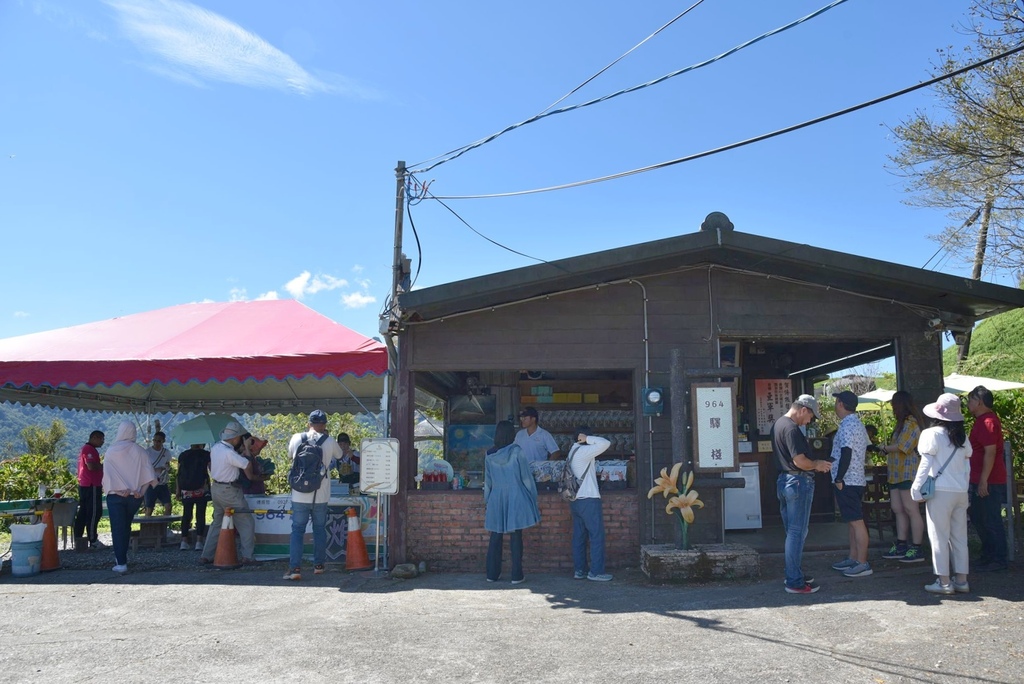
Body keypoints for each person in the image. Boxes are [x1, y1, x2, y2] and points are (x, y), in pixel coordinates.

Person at [911, 392, 973, 595]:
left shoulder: (932, 434)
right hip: (960, 492)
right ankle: (962, 580)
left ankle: (944, 582)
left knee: (939, 536)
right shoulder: (962, 436)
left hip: (940, 492)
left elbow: (925, 463)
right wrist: (965, 488)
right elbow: (967, 467)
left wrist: (916, 488)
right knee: (959, 537)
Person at [772, 394, 833, 594]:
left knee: (792, 533)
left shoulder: (779, 424)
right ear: (803, 409)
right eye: (810, 417)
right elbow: (800, 461)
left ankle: (793, 572)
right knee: (797, 533)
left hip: (784, 480)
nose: (809, 421)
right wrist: (817, 464)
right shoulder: (791, 428)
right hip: (797, 481)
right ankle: (795, 581)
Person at [283, 410, 343, 581]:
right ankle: (318, 565)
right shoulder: (329, 440)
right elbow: (339, 455)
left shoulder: (296, 438)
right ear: (324, 425)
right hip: (320, 494)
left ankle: (295, 568)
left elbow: (290, 456)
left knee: (297, 530)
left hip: (299, 494)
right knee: (319, 529)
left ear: (308, 424)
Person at [483, 420, 541, 584]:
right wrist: (533, 495)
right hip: (516, 495)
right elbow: (526, 478)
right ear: (511, 434)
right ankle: (516, 575)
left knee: (495, 535)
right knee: (516, 535)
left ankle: (492, 574)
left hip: (496, 496)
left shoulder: (488, 454)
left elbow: (487, 482)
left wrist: (488, 500)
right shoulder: (517, 451)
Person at [101, 421, 157, 574]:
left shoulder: (111, 451)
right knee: (126, 526)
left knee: (118, 528)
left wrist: (117, 490)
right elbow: (149, 476)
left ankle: (121, 562)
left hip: (116, 496)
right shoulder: (140, 451)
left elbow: (107, 476)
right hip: (135, 497)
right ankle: (122, 558)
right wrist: (141, 491)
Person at [199, 421, 257, 566]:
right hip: (230, 491)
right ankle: (248, 556)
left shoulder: (216, 448)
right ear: (236, 438)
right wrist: (248, 449)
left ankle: (206, 555)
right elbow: (246, 464)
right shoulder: (229, 453)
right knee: (246, 522)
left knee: (217, 523)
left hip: (216, 488)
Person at [828, 391, 872, 578]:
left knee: (856, 521)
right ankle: (854, 557)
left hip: (848, 480)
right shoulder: (857, 423)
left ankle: (862, 562)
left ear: (840, 403)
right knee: (852, 521)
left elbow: (846, 451)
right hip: (856, 478)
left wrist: (839, 478)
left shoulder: (847, 425)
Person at [879, 391, 927, 563]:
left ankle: (917, 547)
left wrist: (884, 448)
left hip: (908, 472)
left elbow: (903, 446)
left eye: (894, 404)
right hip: (895, 473)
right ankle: (901, 544)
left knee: (911, 509)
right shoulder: (901, 424)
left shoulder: (911, 423)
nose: (892, 407)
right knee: (898, 509)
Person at [966, 385, 1008, 572]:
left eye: (970, 400)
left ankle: (999, 557)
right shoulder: (983, 420)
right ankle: (988, 553)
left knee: (990, 519)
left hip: (989, 479)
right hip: (980, 477)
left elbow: (990, 452)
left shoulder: (987, 422)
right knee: (978, 516)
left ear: (979, 402)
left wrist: (984, 480)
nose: (968, 404)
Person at [567, 426, 612, 581]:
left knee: (579, 536)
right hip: (588, 499)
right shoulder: (583, 451)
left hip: (575, 500)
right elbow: (605, 443)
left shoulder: (572, 451)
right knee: (596, 535)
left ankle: (580, 570)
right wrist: (587, 438)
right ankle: (596, 572)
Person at [73, 430, 105, 551]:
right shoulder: (88, 449)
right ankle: (92, 540)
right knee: (93, 513)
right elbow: (91, 466)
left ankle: (79, 539)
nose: (103, 442)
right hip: (91, 485)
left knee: (84, 512)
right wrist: (104, 466)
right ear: (94, 437)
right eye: (101, 439)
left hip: (86, 484)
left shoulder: (87, 449)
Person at [176, 443, 211, 551]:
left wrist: (178, 490)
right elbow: (212, 469)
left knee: (186, 514)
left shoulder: (183, 455)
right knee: (200, 514)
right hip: (201, 488)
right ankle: (199, 542)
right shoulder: (206, 454)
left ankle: (184, 541)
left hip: (186, 489)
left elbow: (179, 474)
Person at [143, 431, 173, 517]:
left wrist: (166, 468)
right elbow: (143, 467)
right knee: (149, 508)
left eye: (159, 441)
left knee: (168, 506)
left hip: (162, 483)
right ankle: (147, 527)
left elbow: (168, 464)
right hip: (151, 483)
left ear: (163, 441)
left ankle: (164, 526)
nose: (156, 442)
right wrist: (156, 469)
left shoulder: (166, 452)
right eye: (154, 440)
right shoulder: (147, 452)